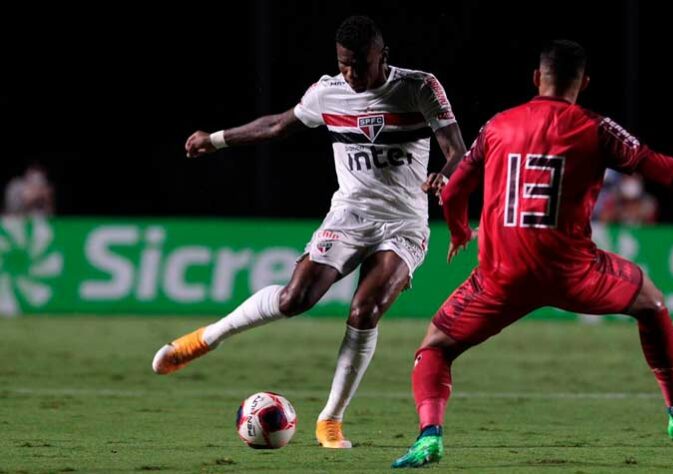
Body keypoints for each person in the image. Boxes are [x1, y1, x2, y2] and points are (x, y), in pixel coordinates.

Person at [392, 39, 673, 468]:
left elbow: (454, 188)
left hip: (501, 274)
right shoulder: (596, 127)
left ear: (536, 78)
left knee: (434, 348)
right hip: (574, 271)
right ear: (583, 83)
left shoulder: (498, 125)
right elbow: (667, 172)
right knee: (652, 303)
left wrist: (458, 231)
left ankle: (430, 434)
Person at [150, 15, 467, 449]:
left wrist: (446, 176)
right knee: (293, 299)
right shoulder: (329, 91)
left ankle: (330, 421)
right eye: (344, 64)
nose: (352, 74)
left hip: (403, 225)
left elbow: (458, 151)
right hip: (348, 216)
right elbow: (278, 125)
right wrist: (217, 139)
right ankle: (204, 339)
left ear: (383, 56)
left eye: (361, 64)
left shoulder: (419, 88)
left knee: (364, 311)